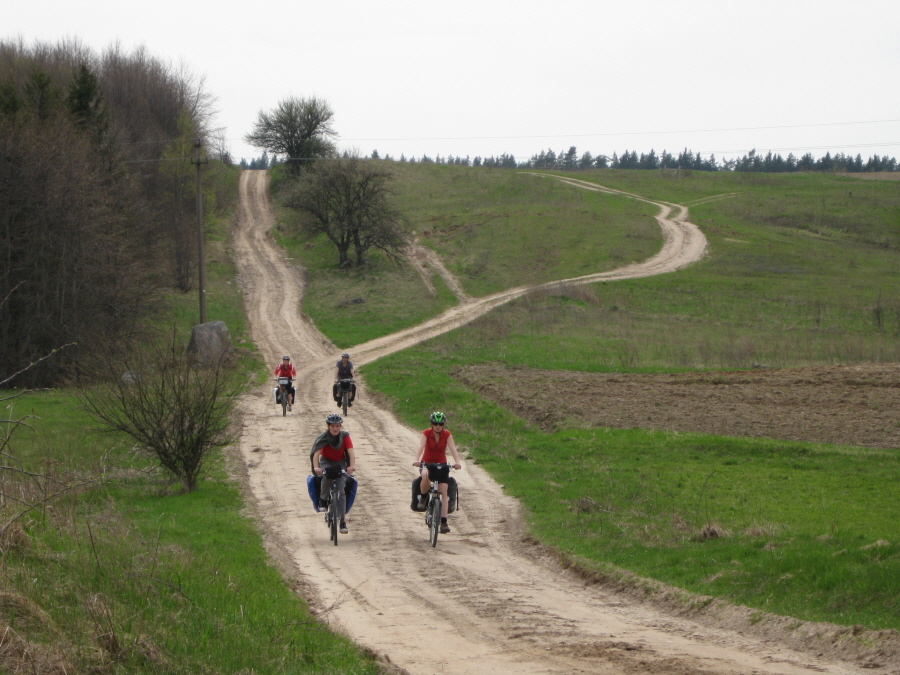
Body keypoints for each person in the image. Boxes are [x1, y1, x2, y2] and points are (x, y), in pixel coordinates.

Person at [413, 411, 462, 534]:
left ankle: (444, 522)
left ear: (443, 424)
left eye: (440, 424)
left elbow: (453, 449)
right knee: (424, 475)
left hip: (442, 465)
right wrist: (416, 460)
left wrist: (457, 462)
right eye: (435, 424)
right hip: (427, 464)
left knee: (444, 491)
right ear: (431, 424)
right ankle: (424, 497)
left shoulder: (447, 434)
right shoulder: (426, 433)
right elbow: (420, 446)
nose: (438, 426)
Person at [311, 413, 356, 534]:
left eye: (337, 426)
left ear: (340, 426)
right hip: (326, 461)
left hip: (341, 462)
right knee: (326, 476)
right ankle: (323, 500)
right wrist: (317, 467)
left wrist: (351, 466)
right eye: (332, 426)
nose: (335, 428)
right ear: (328, 426)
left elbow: (351, 452)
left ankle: (342, 521)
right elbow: (316, 454)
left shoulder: (345, 437)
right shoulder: (323, 438)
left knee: (341, 491)